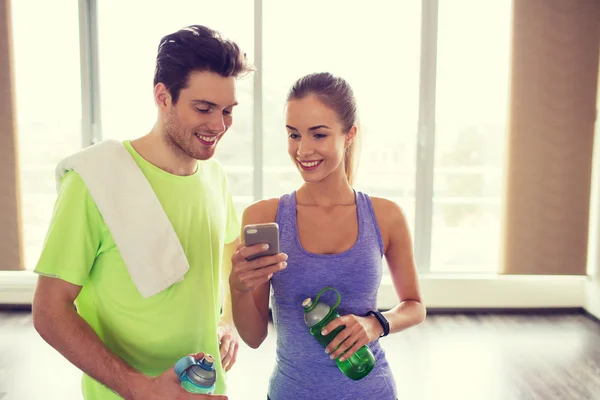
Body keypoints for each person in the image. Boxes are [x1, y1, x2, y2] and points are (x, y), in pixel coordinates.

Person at [31, 25, 253, 400]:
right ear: (162, 97)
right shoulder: (93, 183)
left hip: (207, 389)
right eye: (203, 108)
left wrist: (227, 321)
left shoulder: (215, 177)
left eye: (227, 111)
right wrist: (140, 389)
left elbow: (230, 250)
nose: (218, 126)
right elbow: (49, 310)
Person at [229, 72, 426, 400]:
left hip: (372, 391)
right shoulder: (264, 217)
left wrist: (375, 324)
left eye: (318, 135)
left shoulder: (385, 216)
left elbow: (415, 306)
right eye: (293, 135)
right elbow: (252, 337)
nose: (303, 150)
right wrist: (237, 286)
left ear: (349, 135)